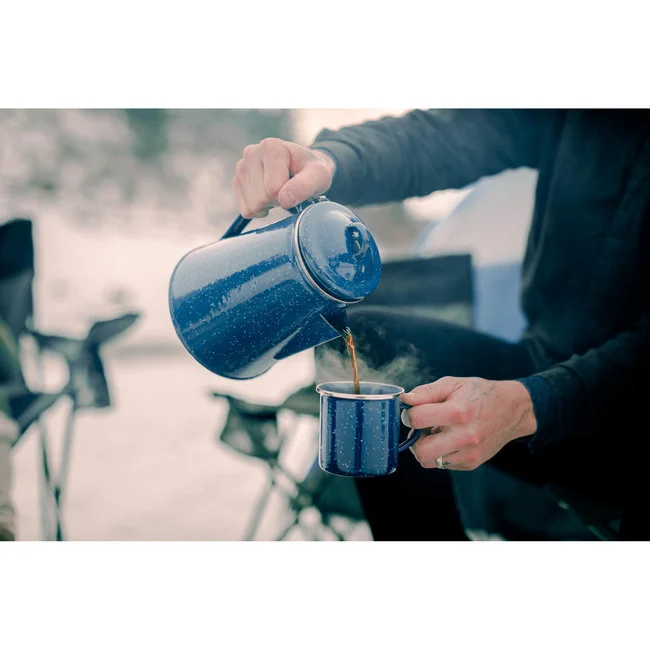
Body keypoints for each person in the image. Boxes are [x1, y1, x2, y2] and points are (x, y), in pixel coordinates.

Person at [232, 109, 650, 541]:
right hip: (546, 367)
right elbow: (449, 135)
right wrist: (328, 159)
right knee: (371, 345)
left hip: (631, 423)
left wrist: (529, 405)